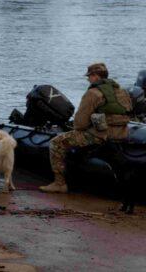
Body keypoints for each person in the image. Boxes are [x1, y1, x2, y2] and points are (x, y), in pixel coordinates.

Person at [40, 63, 133, 193]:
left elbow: (80, 123)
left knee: (56, 142)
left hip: (100, 136)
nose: (88, 79)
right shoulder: (122, 91)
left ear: (95, 76)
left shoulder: (93, 93)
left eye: (89, 76)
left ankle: (59, 183)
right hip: (122, 134)